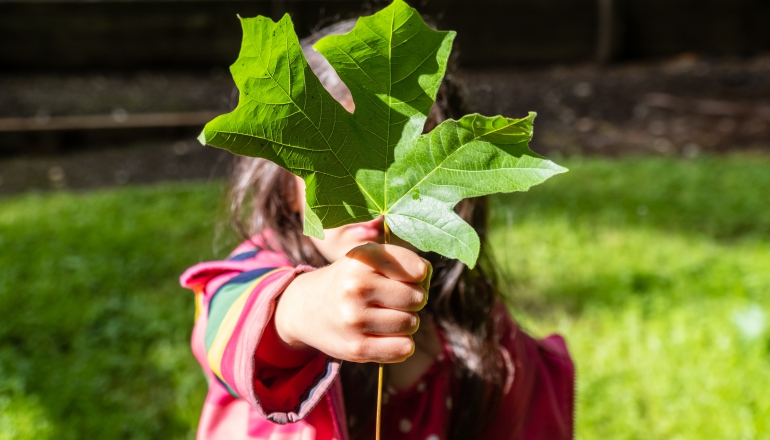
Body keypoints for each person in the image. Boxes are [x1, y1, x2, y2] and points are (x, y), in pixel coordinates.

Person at [180, 20, 574, 440]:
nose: (369, 191)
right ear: (288, 190)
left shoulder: (480, 329)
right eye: (338, 168)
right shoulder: (256, 274)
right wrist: (297, 312)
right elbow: (223, 326)